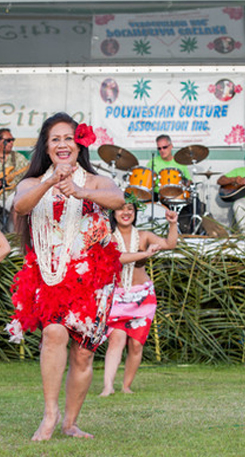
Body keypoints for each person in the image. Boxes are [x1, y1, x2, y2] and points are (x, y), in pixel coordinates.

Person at [6, 112, 125, 441]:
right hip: (51, 274)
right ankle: (50, 414)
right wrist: (51, 182)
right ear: (46, 146)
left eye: (68, 138)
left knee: (84, 352)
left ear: (79, 144)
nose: (62, 144)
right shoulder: (32, 183)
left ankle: (70, 422)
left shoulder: (96, 181)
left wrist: (79, 190)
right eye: (55, 138)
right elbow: (21, 206)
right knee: (54, 332)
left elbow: (118, 199)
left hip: (92, 278)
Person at [100, 200, 178, 397]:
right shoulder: (107, 237)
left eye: (130, 209)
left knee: (136, 343)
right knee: (116, 339)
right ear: (113, 213)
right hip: (117, 294)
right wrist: (144, 253)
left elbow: (170, 244)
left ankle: (126, 386)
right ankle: (108, 386)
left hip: (142, 296)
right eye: (121, 209)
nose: (126, 213)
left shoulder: (144, 236)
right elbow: (117, 258)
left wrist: (172, 224)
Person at [147, 134, 200, 234]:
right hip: (160, 195)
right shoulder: (152, 162)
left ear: (171, 146)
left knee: (195, 200)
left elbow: (188, 181)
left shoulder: (180, 162)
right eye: (159, 148)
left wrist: (188, 182)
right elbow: (148, 182)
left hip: (178, 194)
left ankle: (193, 232)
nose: (162, 150)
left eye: (165, 147)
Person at [0, 128, 29, 229]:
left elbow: (29, 174)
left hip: (12, 194)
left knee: (18, 201)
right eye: (8, 140)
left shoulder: (18, 158)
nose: (11, 142)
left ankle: (17, 237)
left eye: (13, 140)